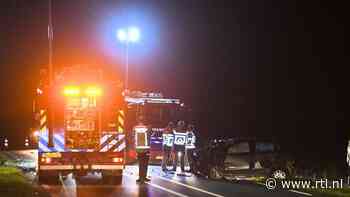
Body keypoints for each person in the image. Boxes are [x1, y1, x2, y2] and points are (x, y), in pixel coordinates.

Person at [134, 116, 150, 183]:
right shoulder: (147, 128)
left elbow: (133, 137)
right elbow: (149, 136)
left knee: (140, 164)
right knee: (145, 164)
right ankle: (144, 177)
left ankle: (140, 177)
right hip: (146, 149)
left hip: (139, 149)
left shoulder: (135, 128)